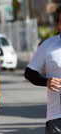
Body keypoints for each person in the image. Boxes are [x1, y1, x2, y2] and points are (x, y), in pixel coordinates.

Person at [24, 5, 61, 134]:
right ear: (58, 24)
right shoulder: (48, 45)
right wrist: (46, 82)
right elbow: (29, 73)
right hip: (57, 117)